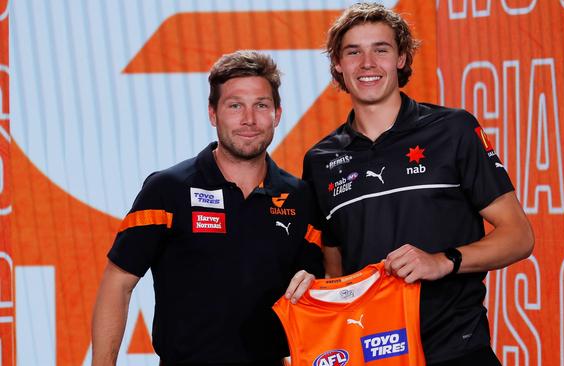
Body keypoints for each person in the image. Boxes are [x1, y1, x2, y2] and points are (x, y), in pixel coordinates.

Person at [295, 3, 535, 365]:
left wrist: (443, 261)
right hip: (373, 354)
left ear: (402, 58)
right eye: (353, 52)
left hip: (458, 349)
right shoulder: (320, 161)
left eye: (381, 49)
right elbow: (335, 272)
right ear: (338, 66)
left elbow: (519, 236)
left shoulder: (453, 130)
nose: (367, 63)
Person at [91, 50, 324, 366]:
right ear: (213, 114)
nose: (249, 119)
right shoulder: (168, 189)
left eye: (261, 105)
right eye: (234, 106)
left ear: (277, 114)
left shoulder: (300, 198)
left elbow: (321, 288)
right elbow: (118, 283)